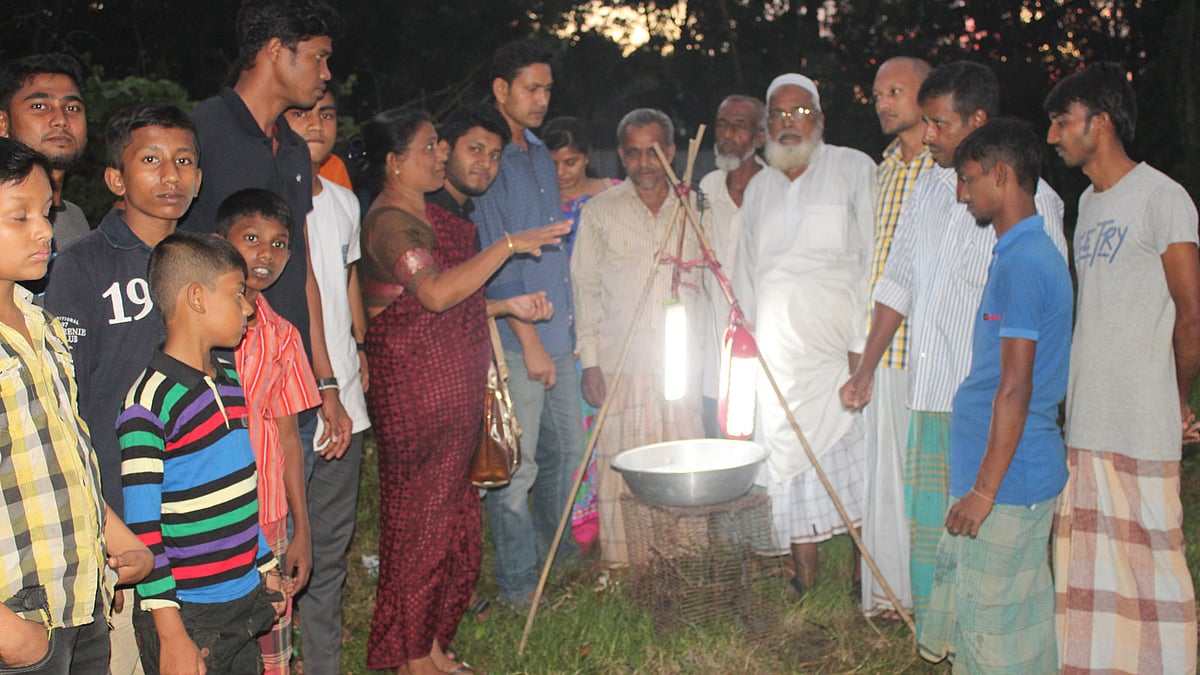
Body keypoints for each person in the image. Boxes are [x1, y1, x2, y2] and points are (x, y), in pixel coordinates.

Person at [839, 61, 1066, 637]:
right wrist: (867, 367)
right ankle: (942, 640)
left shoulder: (1033, 203)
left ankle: (984, 643)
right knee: (932, 534)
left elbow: (1041, 316)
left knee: (985, 537)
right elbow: (898, 281)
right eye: (927, 122)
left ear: (978, 121)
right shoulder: (929, 189)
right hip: (929, 394)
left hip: (988, 406)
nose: (928, 135)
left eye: (939, 123)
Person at [356, 108, 567, 674]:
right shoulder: (389, 223)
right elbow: (435, 295)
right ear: (394, 162)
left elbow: (458, 299)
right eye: (430, 147)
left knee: (450, 524)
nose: (441, 155)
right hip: (415, 391)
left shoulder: (427, 214)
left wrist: (505, 303)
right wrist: (509, 245)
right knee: (419, 526)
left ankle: (429, 643)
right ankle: (409, 656)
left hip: (448, 383)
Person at [1046, 62, 1200, 674]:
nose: (1053, 136)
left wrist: (1177, 398)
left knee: (1153, 563)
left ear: (1101, 122)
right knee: (1088, 569)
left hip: (1142, 414)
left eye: (1063, 121)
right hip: (1088, 417)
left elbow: (1191, 316)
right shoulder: (1086, 203)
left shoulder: (1164, 198)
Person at [43, 102, 202, 675]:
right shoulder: (80, 266)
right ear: (116, 178)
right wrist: (101, 525)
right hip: (122, 514)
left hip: (196, 509)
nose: (171, 174)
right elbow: (66, 403)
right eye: (151, 160)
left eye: (184, 160)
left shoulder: (205, 261)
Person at [917, 119, 1071, 672]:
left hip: (1009, 480)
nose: (962, 193)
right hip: (1005, 472)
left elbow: (1016, 387)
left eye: (968, 178)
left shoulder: (1026, 264)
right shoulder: (1016, 254)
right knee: (1010, 627)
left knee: (992, 635)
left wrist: (983, 492)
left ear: (1001, 175)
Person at [0, 136, 152, 673]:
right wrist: (12, 636)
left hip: (80, 601)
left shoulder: (42, 325)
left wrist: (118, 539)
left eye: (46, 212)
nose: (44, 230)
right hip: (19, 614)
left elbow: (65, 459)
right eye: (18, 216)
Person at [178, 0, 351, 464]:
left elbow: (303, 271)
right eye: (318, 57)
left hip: (291, 384)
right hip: (222, 390)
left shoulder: (294, 149)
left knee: (292, 509)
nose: (326, 73)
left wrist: (325, 381)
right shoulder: (201, 134)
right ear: (276, 50)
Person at [732, 74, 876, 596]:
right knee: (787, 461)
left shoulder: (853, 168)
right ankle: (803, 576)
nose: (788, 124)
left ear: (820, 119)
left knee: (854, 462)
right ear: (766, 126)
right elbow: (746, 273)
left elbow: (873, 257)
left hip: (840, 352)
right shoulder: (761, 188)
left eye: (799, 113)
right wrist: (750, 341)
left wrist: (862, 347)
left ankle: (864, 576)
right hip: (778, 355)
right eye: (778, 115)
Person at [119, 232, 285, 675]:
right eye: (237, 293)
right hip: (189, 614)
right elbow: (143, 531)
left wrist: (264, 562)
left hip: (242, 599)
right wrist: (171, 634)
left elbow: (240, 489)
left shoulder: (228, 379)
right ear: (196, 298)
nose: (248, 308)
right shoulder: (148, 404)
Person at [471, 40, 584, 609]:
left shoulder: (540, 153)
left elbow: (551, 244)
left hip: (558, 331)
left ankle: (557, 558)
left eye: (547, 89)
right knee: (519, 467)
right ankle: (518, 582)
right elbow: (498, 258)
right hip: (520, 340)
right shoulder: (489, 158)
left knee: (567, 456)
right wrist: (530, 342)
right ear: (501, 89)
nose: (541, 99)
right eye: (530, 88)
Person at [572, 107, 709, 566]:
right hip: (621, 364)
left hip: (680, 367)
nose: (644, 163)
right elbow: (585, 290)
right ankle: (626, 565)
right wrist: (591, 361)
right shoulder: (600, 211)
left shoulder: (695, 208)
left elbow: (712, 284)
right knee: (624, 465)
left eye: (654, 152)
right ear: (620, 156)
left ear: (672, 151)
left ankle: (683, 561)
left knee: (681, 462)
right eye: (633, 154)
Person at [214, 189, 320, 675]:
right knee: (216, 642)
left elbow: (289, 440)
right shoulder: (194, 325)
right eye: (252, 238)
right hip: (208, 517)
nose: (265, 254)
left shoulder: (283, 337)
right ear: (221, 242)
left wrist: (301, 531)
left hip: (270, 516)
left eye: (279, 244)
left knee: (271, 644)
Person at [284, 83, 371, 675]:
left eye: (327, 115)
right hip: (290, 403)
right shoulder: (268, 204)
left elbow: (346, 280)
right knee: (282, 544)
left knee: (330, 550)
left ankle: (322, 665)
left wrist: (359, 346)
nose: (316, 124)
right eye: (302, 114)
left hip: (347, 402)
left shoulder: (344, 201)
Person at [859, 56, 934, 619]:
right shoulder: (880, 170)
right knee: (883, 476)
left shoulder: (949, 167)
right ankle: (889, 596)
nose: (883, 103)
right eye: (878, 94)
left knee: (926, 478)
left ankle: (928, 596)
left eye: (895, 91)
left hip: (932, 349)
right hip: (881, 350)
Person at [696, 94, 765, 438]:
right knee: (717, 440)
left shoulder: (776, 189)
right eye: (722, 125)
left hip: (762, 340)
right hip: (713, 347)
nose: (727, 134)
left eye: (739, 126)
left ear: (760, 136)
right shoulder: (706, 188)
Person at [542, 116, 618, 254]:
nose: (560, 172)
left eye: (570, 163)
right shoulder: (538, 201)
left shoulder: (615, 192)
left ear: (587, 156)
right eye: (552, 163)